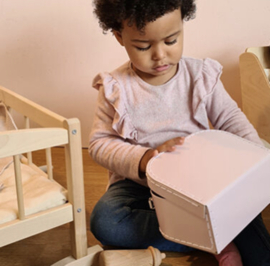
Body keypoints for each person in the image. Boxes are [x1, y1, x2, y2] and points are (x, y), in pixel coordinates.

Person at [89, 0, 270, 265]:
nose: (160, 55)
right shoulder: (115, 88)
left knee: (249, 220)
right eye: (143, 46)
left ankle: (217, 229)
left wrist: (256, 157)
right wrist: (145, 159)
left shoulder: (200, 76)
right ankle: (212, 238)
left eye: (171, 41)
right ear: (119, 36)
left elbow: (230, 119)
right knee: (106, 222)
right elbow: (99, 144)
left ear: (182, 26)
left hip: (200, 181)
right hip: (140, 185)